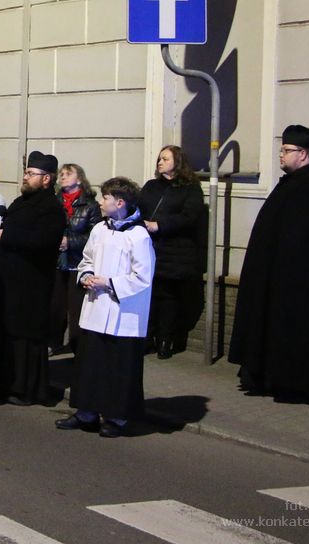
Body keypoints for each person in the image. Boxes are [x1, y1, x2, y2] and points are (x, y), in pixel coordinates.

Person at [228, 124, 309, 402]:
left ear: (303, 154)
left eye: (287, 150)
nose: (281, 155)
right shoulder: (292, 183)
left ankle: (288, 383)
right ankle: (265, 377)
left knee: (290, 331)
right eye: (281, 149)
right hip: (275, 278)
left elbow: (302, 242)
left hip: (293, 285)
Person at [57, 177, 154, 438]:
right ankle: (86, 413)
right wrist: (86, 275)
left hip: (123, 314)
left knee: (118, 367)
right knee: (91, 365)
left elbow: (143, 277)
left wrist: (109, 283)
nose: (100, 202)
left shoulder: (138, 236)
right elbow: (87, 258)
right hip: (96, 308)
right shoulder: (100, 229)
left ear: (120, 203)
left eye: (105, 198)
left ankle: (116, 417)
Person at [0, 151, 65, 406]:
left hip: (32, 284)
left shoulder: (52, 208)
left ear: (47, 179)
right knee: (6, 333)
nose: (25, 177)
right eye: (26, 172)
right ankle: (4, 382)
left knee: (26, 338)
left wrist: (7, 236)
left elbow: (44, 241)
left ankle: (26, 389)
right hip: (8, 281)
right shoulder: (21, 202)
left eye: (31, 173)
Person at [139, 145, 206, 359]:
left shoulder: (190, 188)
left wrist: (160, 225)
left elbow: (189, 217)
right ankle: (147, 338)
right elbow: (139, 208)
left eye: (165, 159)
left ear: (178, 162)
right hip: (150, 249)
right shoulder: (151, 186)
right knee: (149, 295)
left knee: (168, 297)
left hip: (175, 252)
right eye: (159, 159)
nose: (160, 162)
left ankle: (165, 340)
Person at [54, 163, 101, 354]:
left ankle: (77, 346)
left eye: (68, 174)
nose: (63, 177)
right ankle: (54, 343)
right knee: (56, 307)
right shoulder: (55, 202)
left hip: (77, 262)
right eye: (61, 174)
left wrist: (70, 242)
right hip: (57, 261)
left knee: (76, 308)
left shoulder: (90, 205)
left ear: (79, 179)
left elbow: (94, 235)